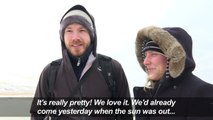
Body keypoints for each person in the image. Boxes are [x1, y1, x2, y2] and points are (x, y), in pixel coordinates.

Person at [30, 4, 132, 120]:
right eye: (69, 31)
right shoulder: (51, 72)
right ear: (62, 37)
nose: (75, 37)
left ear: (91, 35)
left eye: (82, 30)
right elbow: (37, 115)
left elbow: (125, 115)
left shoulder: (112, 69)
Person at [133, 26, 213, 120]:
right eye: (145, 55)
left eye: (153, 54)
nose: (145, 62)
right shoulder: (148, 95)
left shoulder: (201, 93)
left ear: (173, 57)